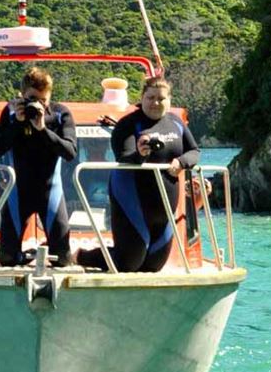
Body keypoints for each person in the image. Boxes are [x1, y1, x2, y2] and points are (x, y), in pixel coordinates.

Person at [76, 76, 200, 273]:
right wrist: (140, 153)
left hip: (164, 210)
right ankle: (81, 256)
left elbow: (194, 151)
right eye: (150, 98)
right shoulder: (128, 124)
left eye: (161, 98)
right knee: (128, 264)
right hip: (132, 203)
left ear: (169, 99)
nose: (155, 103)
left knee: (154, 266)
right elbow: (124, 156)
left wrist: (180, 162)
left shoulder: (176, 123)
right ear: (142, 98)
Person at [0, 67, 77, 267]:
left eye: (43, 100)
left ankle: (47, 247)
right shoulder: (12, 112)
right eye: (32, 99)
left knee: (62, 259)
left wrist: (43, 129)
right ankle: (28, 255)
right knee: (6, 258)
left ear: (49, 97)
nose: (37, 105)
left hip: (50, 191)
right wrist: (17, 123)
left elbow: (70, 152)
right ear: (22, 95)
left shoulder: (59, 114)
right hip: (19, 192)